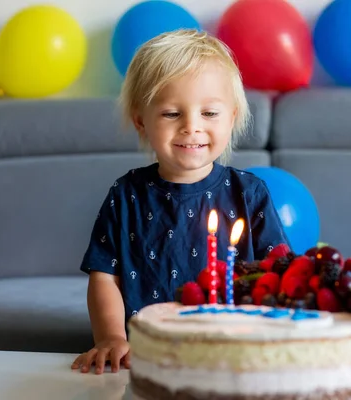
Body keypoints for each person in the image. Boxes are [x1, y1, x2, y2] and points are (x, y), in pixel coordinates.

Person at [71, 29, 290, 375]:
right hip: (145, 359)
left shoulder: (249, 194)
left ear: (232, 118)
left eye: (210, 114)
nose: (192, 127)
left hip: (232, 360)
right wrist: (110, 337)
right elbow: (104, 277)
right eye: (172, 114)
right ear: (141, 120)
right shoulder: (125, 194)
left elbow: (278, 276)